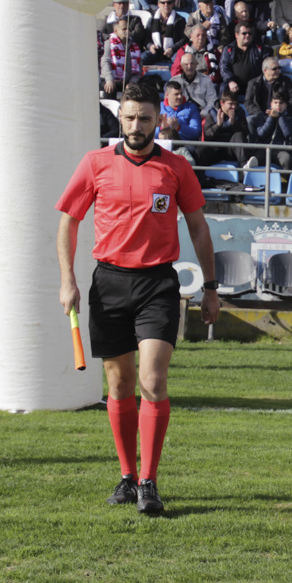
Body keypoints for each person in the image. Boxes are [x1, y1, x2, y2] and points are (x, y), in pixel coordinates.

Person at [56, 84, 220, 515]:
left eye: (144, 118)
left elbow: (199, 228)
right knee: (119, 385)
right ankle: (127, 476)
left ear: (157, 120)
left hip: (158, 286)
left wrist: (211, 287)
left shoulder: (176, 168)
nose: (135, 126)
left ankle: (149, 480)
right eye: (129, 118)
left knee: (153, 382)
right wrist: (67, 279)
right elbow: (68, 224)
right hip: (108, 283)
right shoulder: (94, 164)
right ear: (120, 119)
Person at [195, 90, 252, 170]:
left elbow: (245, 133)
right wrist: (218, 125)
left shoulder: (239, 112)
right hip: (216, 148)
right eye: (231, 104)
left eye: (235, 104)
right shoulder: (212, 113)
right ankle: (201, 177)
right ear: (222, 103)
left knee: (238, 135)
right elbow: (207, 136)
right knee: (201, 150)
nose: (234, 107)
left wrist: (234, 123)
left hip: (232, 149)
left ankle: (245, 168)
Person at [245, 57, 292, 135]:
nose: (278, 71)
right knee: (249, 120)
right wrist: (260, 114)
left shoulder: (286, 81)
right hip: (261, 115)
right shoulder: (253, 83)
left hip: (281, 115)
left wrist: (280, 113)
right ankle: (253, 145)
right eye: (274, 69)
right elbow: (248, 102)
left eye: (279, 68)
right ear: (265, 70)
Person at [219, 23, 269, 96]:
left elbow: (267, 65)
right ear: (237, 35)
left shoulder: (260, 49)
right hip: (235, 85)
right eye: (244, 33)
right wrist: (230, 81)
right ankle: (220, 107)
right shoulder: (229, 49)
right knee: (223, 87)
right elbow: (224, 68)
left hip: (255, 84)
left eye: (250, 33)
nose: (247, 35)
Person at [252, 91, 292, 170]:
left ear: (286, 105)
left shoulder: (291, 119)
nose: (278, 105)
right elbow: (261, 134)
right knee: (254, 158)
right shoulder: (263, 116)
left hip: (281, 150)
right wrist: (271, 118)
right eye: (275, 102)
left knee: (287, 159)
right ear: (271, 104)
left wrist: (280, 116)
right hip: (264, 149)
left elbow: (288, 133)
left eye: (281, 103)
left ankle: (287, 182)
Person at [101, 18, 143, 100]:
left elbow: (139, 68)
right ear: (115, 31)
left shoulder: (135, 47)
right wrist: (109, 80)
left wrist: (132, 82)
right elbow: (105, 62)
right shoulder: (108, 44)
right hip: (110, 79)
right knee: (109, 88)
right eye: (124, 29)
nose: (127, 31)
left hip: (128, 81)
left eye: (128, 29)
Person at [170, 51, 218, 117]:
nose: (189, 67)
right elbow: (169, 102)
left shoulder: (206, 80)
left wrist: (203, 113)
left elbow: (212, 100)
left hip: (201, 113)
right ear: (181, 66)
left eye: (192, 63)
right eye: (186, 64)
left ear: (196, 64)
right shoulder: (174, 81)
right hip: (180, 114)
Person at [144, 0, 189, 65]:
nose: (166, 5)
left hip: (173, 51)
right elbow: (146, 36)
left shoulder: (180, 20)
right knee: (142, 58)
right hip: (155, 51)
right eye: (163, 3)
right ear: (158, 4)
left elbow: (184, 39)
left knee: (182, 61)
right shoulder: (152, 19)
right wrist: (150, 46)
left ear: (173, 4)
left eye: (169, 2)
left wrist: (172, 49)